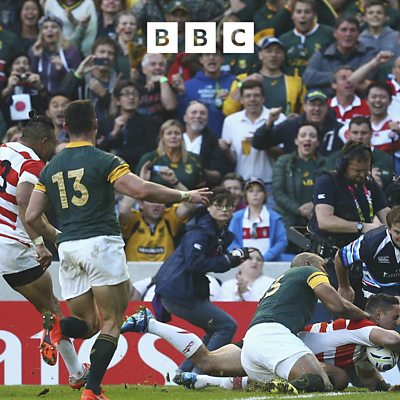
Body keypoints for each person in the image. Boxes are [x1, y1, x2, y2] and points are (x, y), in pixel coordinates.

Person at [24, 99, 211, 400]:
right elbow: (140, 190)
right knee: (111, 322)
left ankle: (57, 326)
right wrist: (185, 195)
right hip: (101, 245)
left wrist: (56, 237)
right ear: (96, 125)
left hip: (69, 249)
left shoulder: (51, 168)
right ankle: (92, 390)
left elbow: (32, 215)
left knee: (88, 325)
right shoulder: (105, 160)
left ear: (65, 127)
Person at [122, 252, 370, 393]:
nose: (324, 270)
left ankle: (151, 324)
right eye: (322, 266)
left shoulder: (282, 282)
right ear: (307, 264)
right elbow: (337, 306)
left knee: (208, 362)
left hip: (255, 338)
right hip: (274, 335)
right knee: (317, 382)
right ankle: (268, 385)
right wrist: (366, 318)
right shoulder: (308, 272)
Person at [0, 111, 88, 390]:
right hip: (10, 244)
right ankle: (77, 373)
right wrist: (41, 243)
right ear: (44, 142)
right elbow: (25, 202)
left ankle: (77, 372)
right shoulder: (33, 163)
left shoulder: (3, 149)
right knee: (50, 308)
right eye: (53, 145)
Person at [153, 187, 250, 374]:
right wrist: (228, 260)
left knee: (215, 329)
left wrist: (230, 259)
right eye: (219, 205)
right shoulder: (200, 231)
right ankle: (197, 375)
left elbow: (207, 261)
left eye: (228, 205)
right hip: (177, 291)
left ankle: (184, 375)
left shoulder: (214, 230)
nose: (224, 209)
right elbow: (194, 263)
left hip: (180, 290)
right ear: (209, 207)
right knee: (226, 326)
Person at [311, 142, 389, 306]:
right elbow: (325, 221)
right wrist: (362, 227)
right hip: (331, 260)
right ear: (344, 166)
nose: (362, 175)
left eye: (366, 170)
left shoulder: (369, 184)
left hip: (359, 260)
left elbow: (387, 215)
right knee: (339, 309)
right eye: (357, 171)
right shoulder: (328, 182)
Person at [220, 79, 286, 186]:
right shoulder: (230, 121)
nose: (252, 99)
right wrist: (226, 151)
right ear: (241, 100)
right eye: (248, 96)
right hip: (242, 183)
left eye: (256, 95)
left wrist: (261, 143)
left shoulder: (278, 118)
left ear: (263, 98)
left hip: (270, 182)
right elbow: (232, 160)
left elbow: (284, 154)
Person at [223, 37, 305, 116]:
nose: (273, 55)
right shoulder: (242, 78)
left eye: (278, 52)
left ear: (283, 56)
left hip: (283, 124)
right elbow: (228, 111)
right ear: (260, 55)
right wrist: (244, 82)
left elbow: (304, 110)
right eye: (269, 51)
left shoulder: (296, 81)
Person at [335, 205, 400, 302]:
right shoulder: (371, 242)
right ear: (389, 229)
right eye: (398, 232)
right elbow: (341, 257)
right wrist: (344, 286)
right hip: (377, 290)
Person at [253, 89, 343, 156]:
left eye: (321, 105)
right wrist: (269, 123)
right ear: (305, 106)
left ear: (327, 107)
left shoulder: (338, 129)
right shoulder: (290, 125)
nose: (317, 109)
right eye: (312, 105)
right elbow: (258, 144)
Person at [303, 16, 377, 96]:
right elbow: (308, 78)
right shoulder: (322, 53)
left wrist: (335, 80)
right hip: (327, 101)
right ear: (335, 33)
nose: (348, 34)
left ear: (358, 34)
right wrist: (335, 76)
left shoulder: (368, 54)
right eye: (343, 30)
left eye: (352, 30)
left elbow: (367, 81)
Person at [272, 122, 325, 229]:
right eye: (303, 135)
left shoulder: (326, 164)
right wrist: (298, 209)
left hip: (318, 220)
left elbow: (329, 191)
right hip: (288, 221)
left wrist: (314, 205)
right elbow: (278, 192)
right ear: (296, 140)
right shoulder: (283, 162)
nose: (308, 138)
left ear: (318, 142)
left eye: (312, 136)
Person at [98, 79, 158, 170]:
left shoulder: (148, 122)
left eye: (135, 94)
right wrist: (113, 133)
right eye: (126, 94)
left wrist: (118, 153)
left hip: (138, 169)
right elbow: (99, 150)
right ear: (117, 101)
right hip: (111, 170)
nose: (131, 97)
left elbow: (149, 149)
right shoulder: (106, 122)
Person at [323, 116, 394, 190]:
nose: (359, 137)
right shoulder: (335, 157)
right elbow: (325, 179)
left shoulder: (385, 159)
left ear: (371, 134)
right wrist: (368, 175)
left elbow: (388, 184)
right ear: (348, 134)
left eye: (364, 133)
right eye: (355, 133)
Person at [229, 177, 288, 262]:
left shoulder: (274, 218)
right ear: (245, 195)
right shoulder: (237, 217)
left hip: (270, 263)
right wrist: (243, 256)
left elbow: (282, 241)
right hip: (243, 263)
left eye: (259, 191)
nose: (255, 194)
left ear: (265, 194)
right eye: (251, 191)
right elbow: (231, 241)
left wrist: (266, 257)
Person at [136, 119, 205, 190]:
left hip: (186, 197)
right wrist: (143, 182)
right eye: (169, 133)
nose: (173, 136)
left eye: (177, 133)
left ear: (182, 137)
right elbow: (134, 189)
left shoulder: (195, 159)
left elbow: (201, 191)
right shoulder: (149, 158)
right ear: (162, 137)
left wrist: (175, 182)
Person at [278, 0, 334, 77]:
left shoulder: (329, 34)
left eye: (307, 12)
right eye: (298, 12)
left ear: (314, 15)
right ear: (292, 15)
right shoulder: (284, 39)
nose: (303, 16)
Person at [29, 15, 82, 95]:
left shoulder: (71, 52)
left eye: (54, 27)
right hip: (42, 97)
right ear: (41, 33)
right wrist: (35, 57)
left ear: (60, 31)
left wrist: (63, 70)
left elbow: (78, 80)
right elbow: (31, 76)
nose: (49, 30)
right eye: (45, 28)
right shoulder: (34, 51)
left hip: (64, 98)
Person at [183, 100, 230, 186]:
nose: (198, 116)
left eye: (202, 113)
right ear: (185, 117)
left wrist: (199, 170)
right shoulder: (174, 137)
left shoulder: (213, 141)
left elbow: (218, 174)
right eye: (194, 112)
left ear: (207, 119)